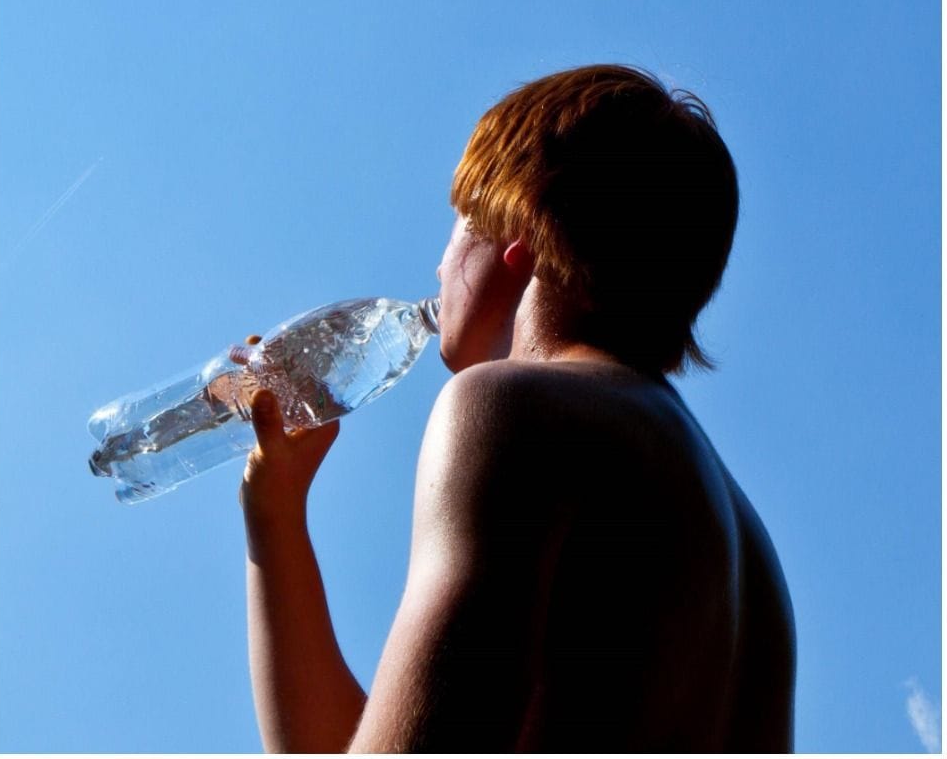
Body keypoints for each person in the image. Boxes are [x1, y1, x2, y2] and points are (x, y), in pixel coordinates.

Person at [240, 64, 793, 751]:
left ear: (518, 235)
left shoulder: (514, 409)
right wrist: (277, 519)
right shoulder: (752, 560)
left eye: (458, 223)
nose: (440, 269)